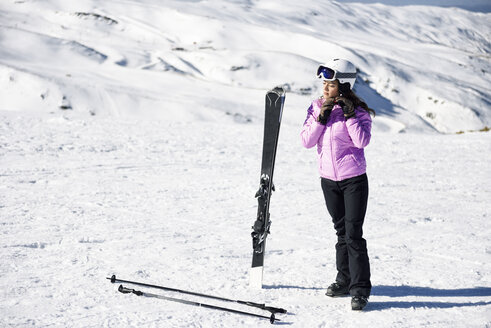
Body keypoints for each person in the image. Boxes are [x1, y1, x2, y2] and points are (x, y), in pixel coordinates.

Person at [300, 58, 375, 311]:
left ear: (343, 86)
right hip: (328, 180)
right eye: (324, 84)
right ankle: (344, 281)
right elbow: (307, 142)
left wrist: (349, 115)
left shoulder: (359, 111)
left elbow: (362, 140)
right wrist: (321, 117)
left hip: (354, 179)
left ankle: (360, 290)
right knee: (341, 232)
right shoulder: (315, 107)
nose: (325, 89)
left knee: (353, 234)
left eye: (330, 85)